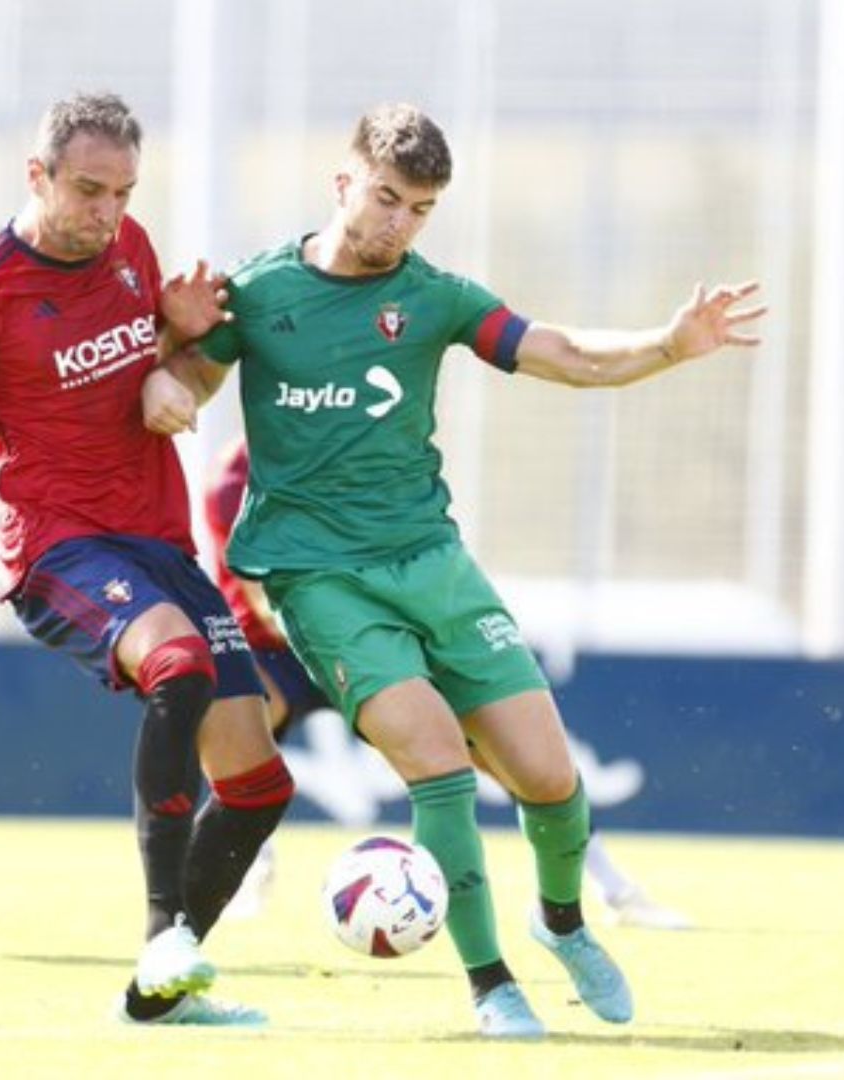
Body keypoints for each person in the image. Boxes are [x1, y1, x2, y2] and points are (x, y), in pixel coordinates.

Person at [145, 103, 761, 1038]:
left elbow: (560, 353)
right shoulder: (261, 291)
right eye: (386, 198)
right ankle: (491, 985)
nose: (398, 224)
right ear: (343, 181)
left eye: (420, 209)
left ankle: (561, 923)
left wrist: (667, 345)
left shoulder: (435, 298)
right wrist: (168, 379)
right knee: (437, 765)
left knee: (551, 780)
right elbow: (192, 371)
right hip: (320, 581)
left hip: (435, 565)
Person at [0, 92, 291, 1028]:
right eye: (86, 190)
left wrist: (179, 342)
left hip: (161, 542)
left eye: (122, 192)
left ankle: (158, 993)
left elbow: (153, 357)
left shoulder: (132, 248)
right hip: (59, 547)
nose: (107, 213)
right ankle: (165, 935)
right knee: (178, 667)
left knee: (260, 785)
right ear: (36, 176)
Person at [203, 439, 691, 931]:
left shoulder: (356, 452)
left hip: (367, 640)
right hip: (280, 644)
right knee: (237, 720)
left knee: (510, 761)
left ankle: (613, 889)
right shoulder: (234, 482)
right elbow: (263, 598)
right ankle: (249, 868)